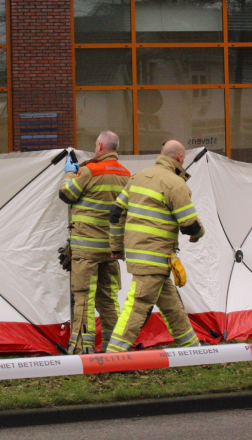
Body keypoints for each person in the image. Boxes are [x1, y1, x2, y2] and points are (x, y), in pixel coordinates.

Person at [105, 140, 204, 353]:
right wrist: (199, 234)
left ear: (161, 153)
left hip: (137, 254)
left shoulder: (137, 177)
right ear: (179, 158)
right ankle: (114, 356)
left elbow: (115, 213)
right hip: (156, 256)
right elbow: (189, 225)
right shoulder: (176, 184)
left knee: (171, 305)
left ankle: (193, 350)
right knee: (137, 306)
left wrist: (116, 247)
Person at [58, 131, 130, 354]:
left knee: (84, 299)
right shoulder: (127, 175)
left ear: (99, 146)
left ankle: (83, 350)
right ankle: (114, 349)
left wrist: (70, 174)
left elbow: (66, 194)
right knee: (109, 300)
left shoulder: (91, 171)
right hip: (111, 251)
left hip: (86, 251)